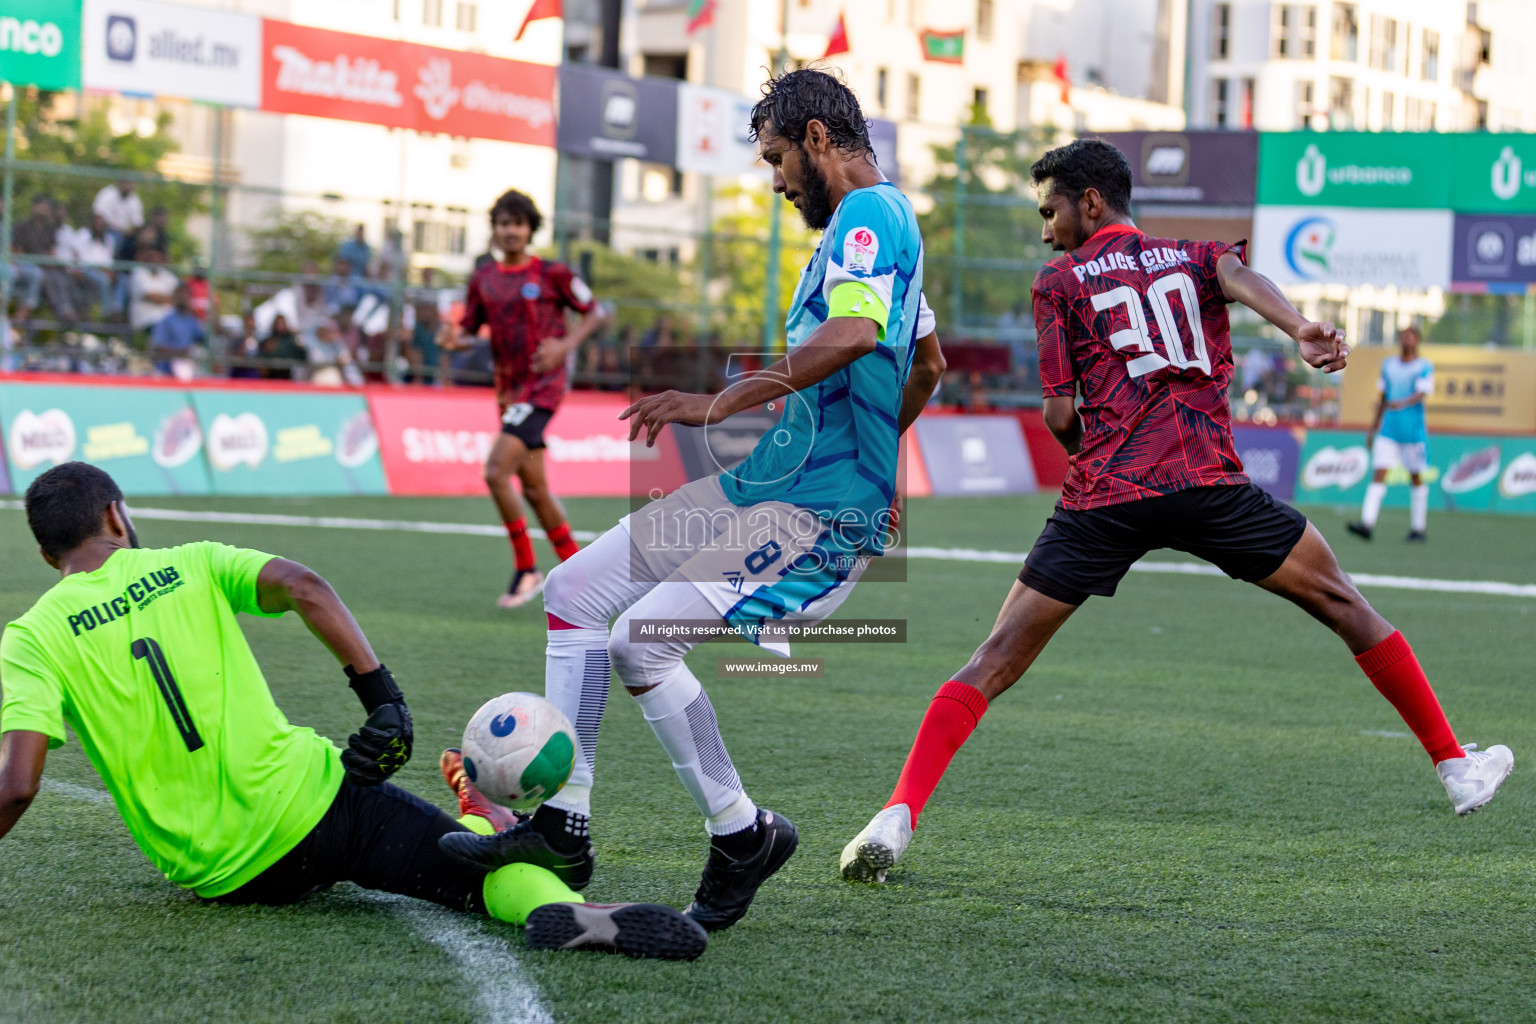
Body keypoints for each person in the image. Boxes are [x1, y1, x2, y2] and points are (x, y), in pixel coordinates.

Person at [837, 139, 1514, 885]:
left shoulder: (1058, 281)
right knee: (1345, 603)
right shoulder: (1195, 256)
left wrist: (1099, 452)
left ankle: (897, 815)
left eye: (1050, 209)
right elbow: (1239, 275)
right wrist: (1300, 330)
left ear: (1089, 202)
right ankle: (1456, 768)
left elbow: (1060, 415)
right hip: (1207, 482)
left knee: (992, 659)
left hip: (1106, 495)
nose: (1045, 229)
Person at [438, 69, 946, 933]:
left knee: (642, 641)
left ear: (820, 137)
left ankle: (736, 832)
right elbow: (924, 361)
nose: (779, 180)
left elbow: (856, 333)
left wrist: (726, 404)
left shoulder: (870, 216)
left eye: (781, 158)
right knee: (574, 591)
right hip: (766, 488)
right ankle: (566, 826)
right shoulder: (878, 230)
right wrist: (875, 452)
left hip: (816, 514)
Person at [0, 463, 707, 960]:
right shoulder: (190, 562)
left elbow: (18, 785)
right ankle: (568, 911)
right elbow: (305, 587)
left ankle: (476, 812)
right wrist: (384, 703)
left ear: (44, 553)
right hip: (323, 808)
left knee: (458, 836)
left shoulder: (32, 637)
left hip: (223, 873)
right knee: (477, 874)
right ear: (116, 515)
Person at [444, 189, 609, 608]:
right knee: (534, 489)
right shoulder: (483, 280)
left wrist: (564, 346)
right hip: (508, 392)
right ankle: (580, 573)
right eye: (503, 223)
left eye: (517, 223)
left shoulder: (553, 273)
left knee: (496, 471)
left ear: (529, 229)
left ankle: (526, 569)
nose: (510, 230)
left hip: (544, 387)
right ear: (495, 231)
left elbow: (595, 312)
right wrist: (453, 339)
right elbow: (468, 331)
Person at [1349, 326, 1433, 542]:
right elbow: (1383, 398)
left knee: (1415, 477)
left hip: (1413, 433)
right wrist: (1372, 429)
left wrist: (1399, 403)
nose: (1407, 340)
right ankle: (1367, 524)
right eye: (1404, 336)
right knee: (1378, 474)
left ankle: (1418, 528)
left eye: (1411, 336)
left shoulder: (1423, 366)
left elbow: (1421, 394)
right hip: (1388, 431)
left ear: (1417, 341)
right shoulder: (1388, 365)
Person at [149, 285, 206, 375]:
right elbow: (158, 349)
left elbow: (203, 339)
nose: (182, 298)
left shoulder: (192, 320)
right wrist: (181, 353)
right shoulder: (165, 321)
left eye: (185, 295)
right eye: (180, 295)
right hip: (167, 370)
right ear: (174, 297)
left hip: (189, 367)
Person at [92, 179, 144, 251]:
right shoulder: (108, 193)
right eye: (124, 183)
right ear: (119, 183)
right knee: (113, 239)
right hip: (106, 229)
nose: (126, 187)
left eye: (129, 184)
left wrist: (129, 232)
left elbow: (138, 223)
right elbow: (98, 214)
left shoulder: (134, 200)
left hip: (125, 234)